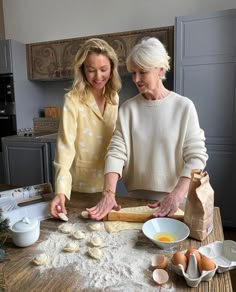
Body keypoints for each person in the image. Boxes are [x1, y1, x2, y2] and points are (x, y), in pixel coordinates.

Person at [87, 37, 208, 220]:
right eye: (133, 73)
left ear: (160, 70)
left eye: (142, 72)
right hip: (136, 200)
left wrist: (176, 195)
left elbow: (196, 157)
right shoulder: (128, 109)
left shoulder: (183, 107)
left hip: (174, 201)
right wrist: (109, 192)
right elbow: (116, 152)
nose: (136, 79)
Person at [50, 38, 121, 218]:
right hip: (79, 188)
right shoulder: (72, 100)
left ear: (112, 68)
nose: (98, 77)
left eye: (103, 70)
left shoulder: (114, 98)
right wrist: (61, 191)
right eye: (91, 70)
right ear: (82, 70)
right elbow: (65, 148)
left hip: (108, 186)